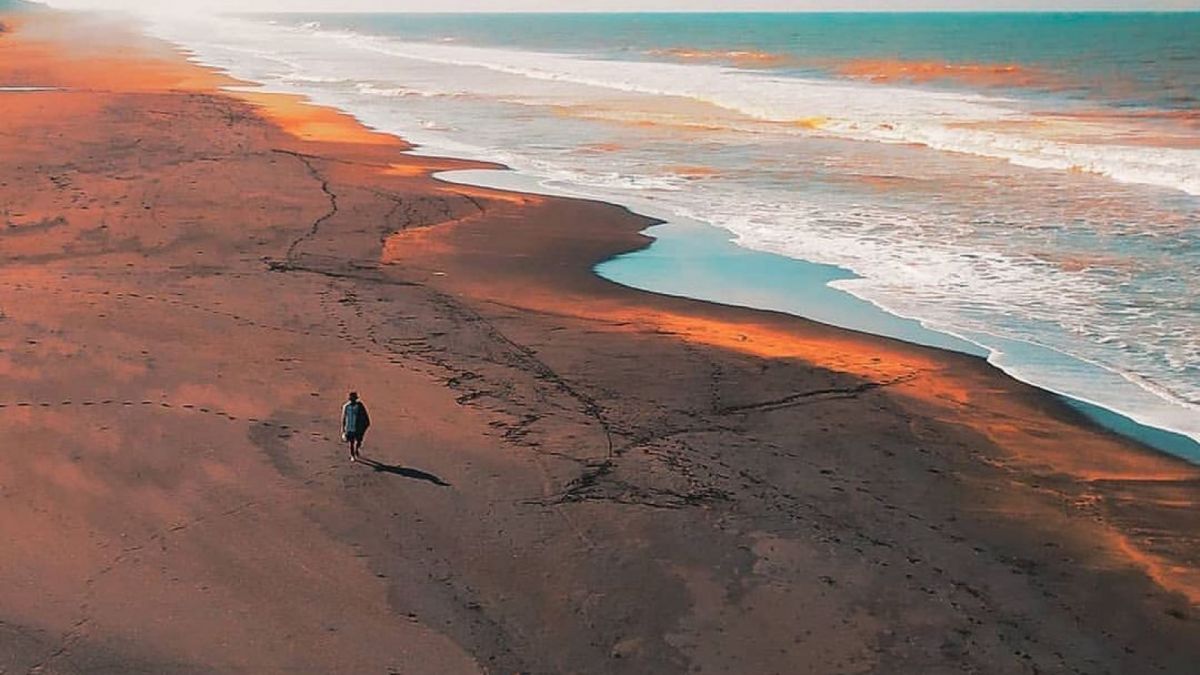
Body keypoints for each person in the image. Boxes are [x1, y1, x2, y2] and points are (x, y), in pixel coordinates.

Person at [341, 391, 370, 462]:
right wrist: (343, 428)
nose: (352, 400)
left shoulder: (360, 406)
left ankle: (356, 449)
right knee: (351, 442)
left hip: (358, 427)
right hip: (349, 427)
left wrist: (364, 426)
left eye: (353, 399)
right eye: (351, 399)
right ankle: (352, 455)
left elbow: (365, 417)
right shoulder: (346, 406)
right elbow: (344, 417)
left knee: (359, 440)